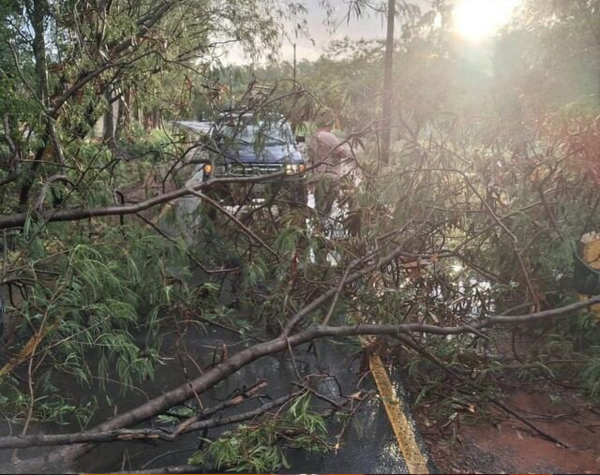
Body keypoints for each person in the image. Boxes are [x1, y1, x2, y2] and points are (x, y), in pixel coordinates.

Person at [308, 115, 353, 224]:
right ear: (329, 124)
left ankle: (317, 228)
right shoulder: (329, 137)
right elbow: (343, 153)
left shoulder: (314, 137)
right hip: (330, 175)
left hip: (318, 175)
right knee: (327, 206)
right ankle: (323, 229)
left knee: (319, 204)